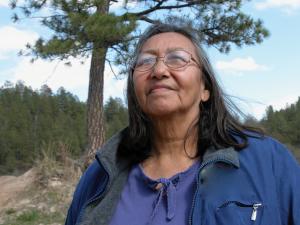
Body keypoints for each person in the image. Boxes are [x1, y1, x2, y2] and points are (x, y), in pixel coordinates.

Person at [65, 23, 300, 225]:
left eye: (177, 58)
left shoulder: (268, 161)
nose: (158, 70)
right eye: (145, 61)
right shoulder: (101, 174)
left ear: (205, 89)